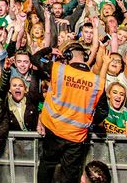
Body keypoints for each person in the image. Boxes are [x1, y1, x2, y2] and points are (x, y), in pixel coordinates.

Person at [35, 42, 108, 183]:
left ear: (68, 56)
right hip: (76, 135)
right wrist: (88, 122)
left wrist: (50, 49)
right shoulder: (97, 82)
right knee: (70, 174)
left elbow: (35, 58)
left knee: (47, 165)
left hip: (53, 129)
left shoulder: (59, 69)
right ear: (85, 57)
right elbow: (103, 112)